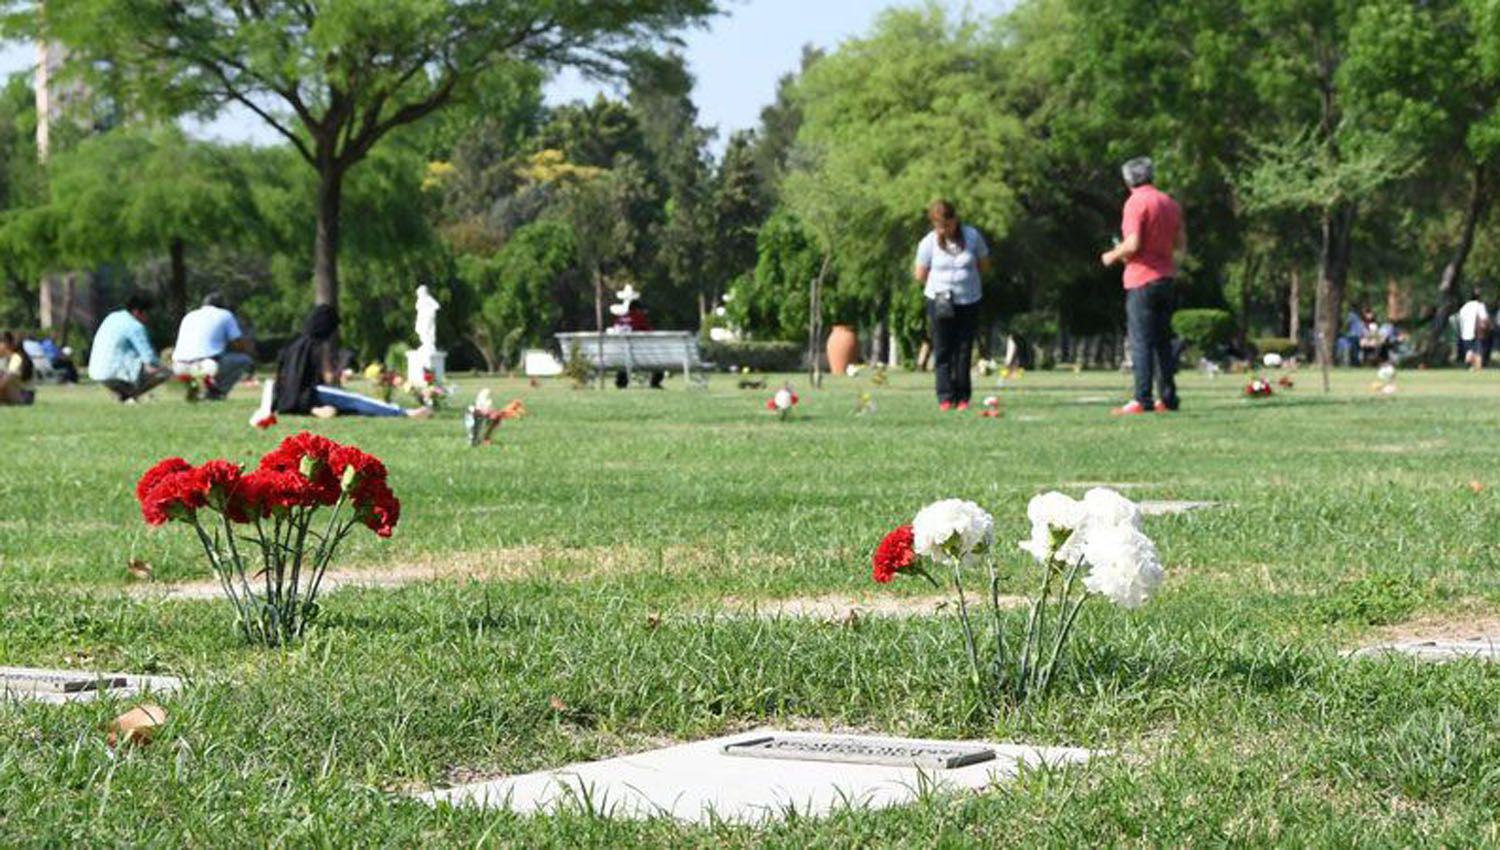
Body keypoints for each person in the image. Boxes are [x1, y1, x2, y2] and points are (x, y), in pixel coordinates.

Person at [1101, 157, 1185, 414]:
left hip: (1141, 278)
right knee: (1162, 341)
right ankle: (1168, 398)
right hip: (1166, 277)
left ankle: (1142, 398)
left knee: (1141, 341)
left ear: (1128, 179)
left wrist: (1112, 255)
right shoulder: (1169, 203)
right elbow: (1181, 244)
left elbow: (1133, 243)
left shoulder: (1136, 202)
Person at [272, 305, 429, 419]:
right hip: (311, 394)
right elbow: (329, 378)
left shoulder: (293, 345)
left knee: (347, 406)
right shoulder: (317, 346)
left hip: (289, 399)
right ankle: (403, 412)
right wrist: (341, 368)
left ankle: (315, 410)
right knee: (355, 400)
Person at [914, 199, 991, 411]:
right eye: (938, 226)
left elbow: (984, 265)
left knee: (964, 349)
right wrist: (941, 283)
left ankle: (963, 397)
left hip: (969, 300)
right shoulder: (928, 242)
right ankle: (945, 397)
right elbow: (920, 274)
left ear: (955, 220)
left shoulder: (973, 236)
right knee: (943, 349)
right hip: (940, 301)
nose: (943, 229)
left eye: (946, 224)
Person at [87, 291, 170, 402]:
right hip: (114, 374)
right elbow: (149, 358)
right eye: (147, 314)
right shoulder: (135, 326)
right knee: (164, 372)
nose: (148, 318)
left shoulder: (112, 317)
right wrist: (165, 366)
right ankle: (130, 395)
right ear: (137, 312)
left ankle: (123, 395)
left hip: (96, 371)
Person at [172, 291, 255, 398]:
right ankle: (217, 392)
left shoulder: (189, 315)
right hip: (206, 365)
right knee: (244, 359)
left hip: (179, 366)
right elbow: (238, 343)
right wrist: (251, 353)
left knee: (201, 368)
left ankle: (196, 387)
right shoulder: (225, 315)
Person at [610, 296, 664, 389]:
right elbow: (649, 333)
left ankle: (621, 382)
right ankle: (655, 383)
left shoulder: (619, 319)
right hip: (641, 357)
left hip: (618, 356)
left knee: (625, 358)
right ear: (638, 309)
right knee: (658, 358)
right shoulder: (639, 317)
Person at [1457, 289, 1490, 370]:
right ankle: (1477, 367)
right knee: (1478, 351)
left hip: (1465, 332)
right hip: (1476, 332)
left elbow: (1459, 318)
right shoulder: (1480, 305)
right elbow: (1484, 318)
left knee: (1469, 351)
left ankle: (1470, 365)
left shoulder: (1465, 306)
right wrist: (1488, 328)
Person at [0, 331, 35, 405]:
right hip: (20, 394)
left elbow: (7, 379)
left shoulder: (16, 358)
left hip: (24, 396)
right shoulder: (6, 359)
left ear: (4, 344)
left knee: (3, 379)